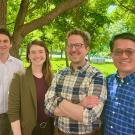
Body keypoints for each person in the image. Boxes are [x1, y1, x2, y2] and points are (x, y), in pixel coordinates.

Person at [45, 29, 107, 135]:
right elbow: (47, 108)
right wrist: (80, 104)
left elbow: (89, 116)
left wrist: (59, 100)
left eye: (78, 45)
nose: (73, 49)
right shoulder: (60, 73)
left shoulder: (97, 76)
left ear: (87, 49)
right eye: (70, 45)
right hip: (59, 132)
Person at [8, 40, 54, 135]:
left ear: (46, 53)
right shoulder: (19, 77)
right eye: (33, 52)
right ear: (28, 56)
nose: (37, 55)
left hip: (49, 128)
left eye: (41, 51)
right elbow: (13, 111)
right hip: (28, 131)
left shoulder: (52, 77)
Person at [104, 32, 135, 135]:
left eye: (129, 52)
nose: (124, 56)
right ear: (112, 55)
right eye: (118, 52)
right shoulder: (106, 82)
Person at [0, 28, 23, 135]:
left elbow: (22, 90)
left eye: (5, 41)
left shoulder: (18, 64)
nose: (2, 44)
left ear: (11, 44)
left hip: (12, 116)